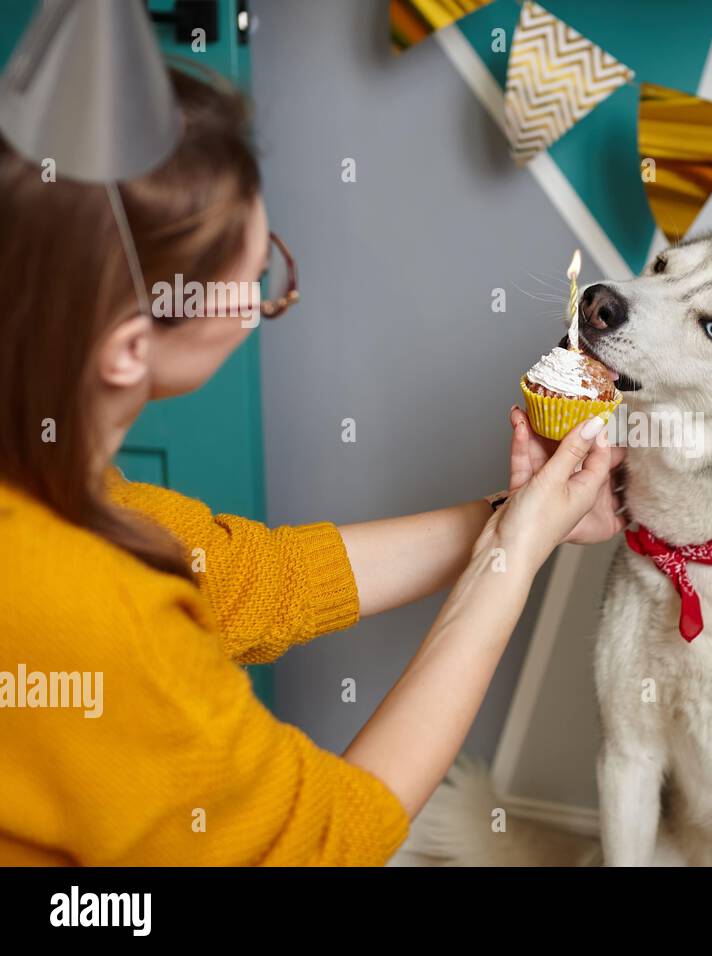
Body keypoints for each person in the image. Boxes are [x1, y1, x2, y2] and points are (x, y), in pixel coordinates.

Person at [0, 69, 624, 865]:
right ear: (130, 347)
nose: (272, 296)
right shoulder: (104, 623)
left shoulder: (48, 479)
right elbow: (328, 837)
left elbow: (245, 577)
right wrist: (515, 560)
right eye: (261, 281)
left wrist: (514, 515)